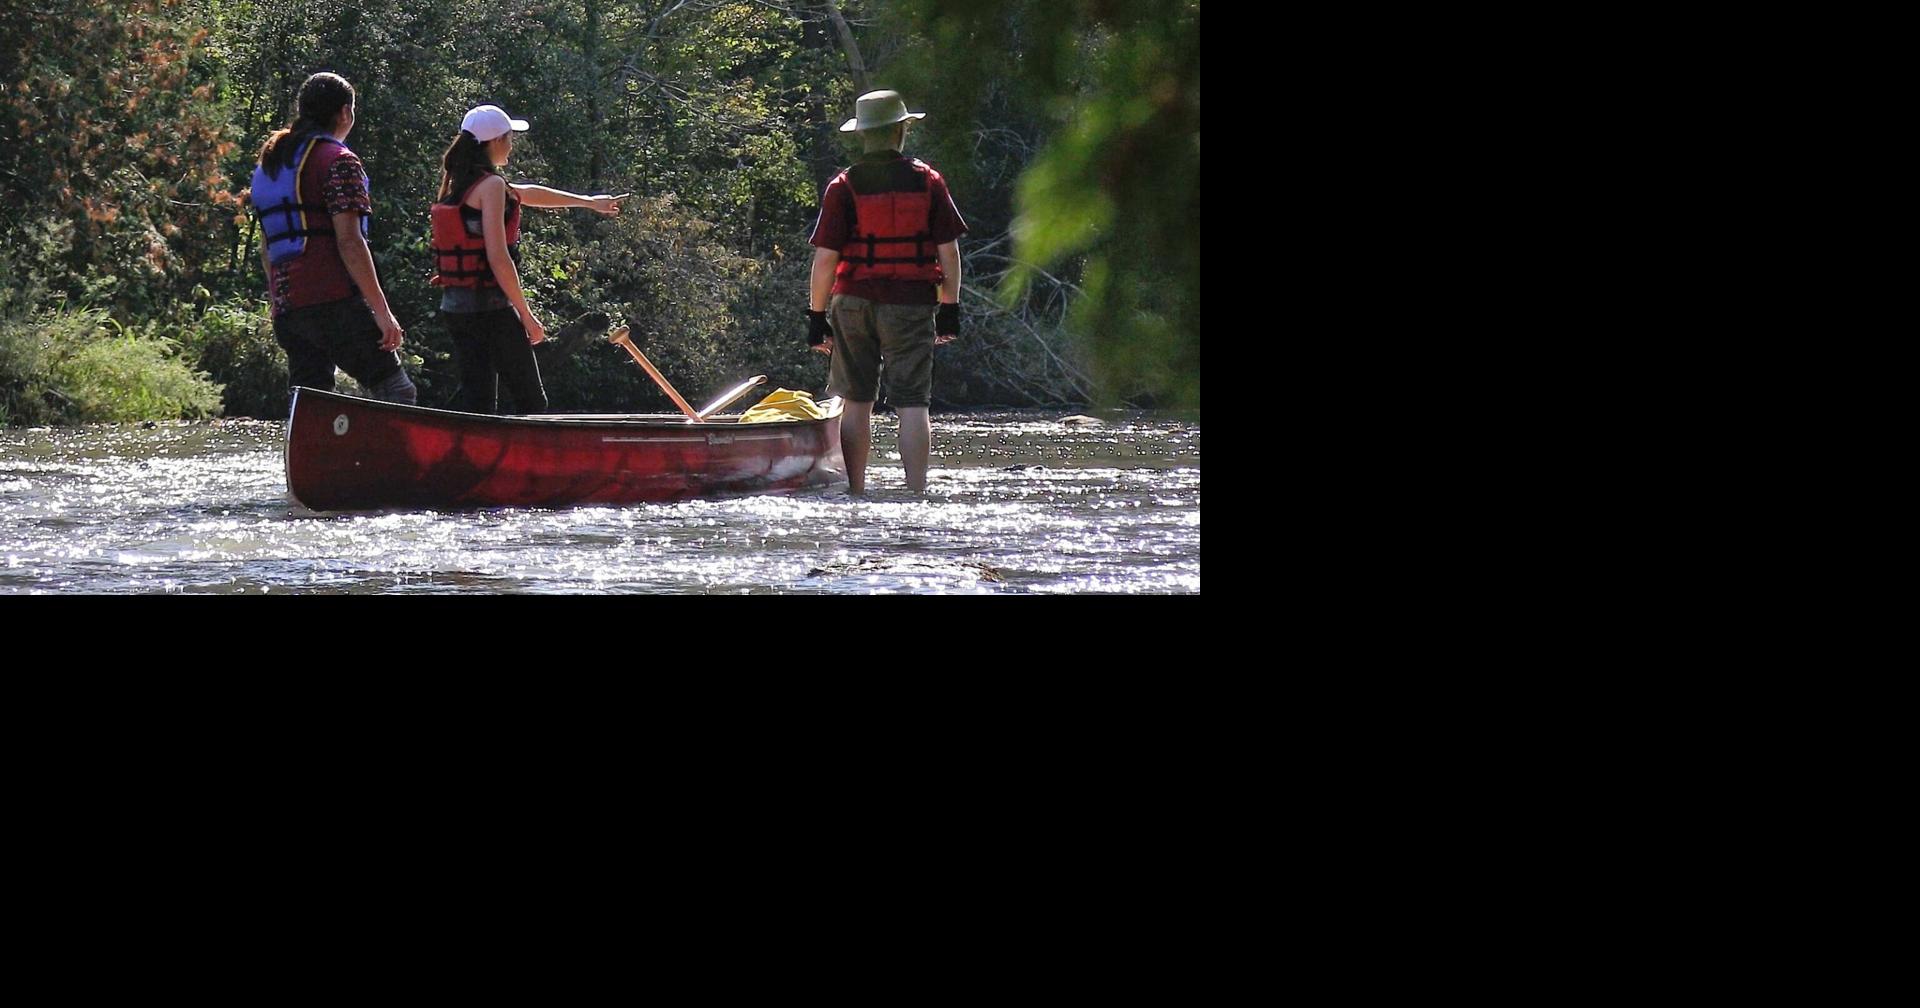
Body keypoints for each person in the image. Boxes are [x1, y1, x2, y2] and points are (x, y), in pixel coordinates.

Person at [807, 90, 967, 496]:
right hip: (910, 302)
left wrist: (815, 317)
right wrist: (950, 307)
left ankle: (857, 490)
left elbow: (826, 259)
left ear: (862, 134)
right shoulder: (928, 181)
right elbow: (948, 252)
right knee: (912, 402)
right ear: (901, 130)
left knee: (856, 400)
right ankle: (916, 493)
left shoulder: (843, 185)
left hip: (853, 301)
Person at [430, 104, 627, 414]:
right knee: (531, 401)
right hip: (490, 309)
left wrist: (589, 202)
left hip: (456, 309)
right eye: (510, 137)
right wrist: (526, 315)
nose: (512, 144)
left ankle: (469, 458)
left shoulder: (462, 183)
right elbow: (498, 257)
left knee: (478, 401)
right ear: (495, 141)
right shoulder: (491, 186)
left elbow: (530, 194)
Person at [250, 71, 416, 406]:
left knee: (311, 403)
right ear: (344, 113)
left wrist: (277, 301)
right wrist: (383, 313)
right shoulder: (339, 161)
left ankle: (308, 459)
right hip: (333, 302)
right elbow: (351, 243)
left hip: (289, 309)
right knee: (396, 391)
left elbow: (269, 247)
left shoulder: (270, 165)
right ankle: (389, 459)